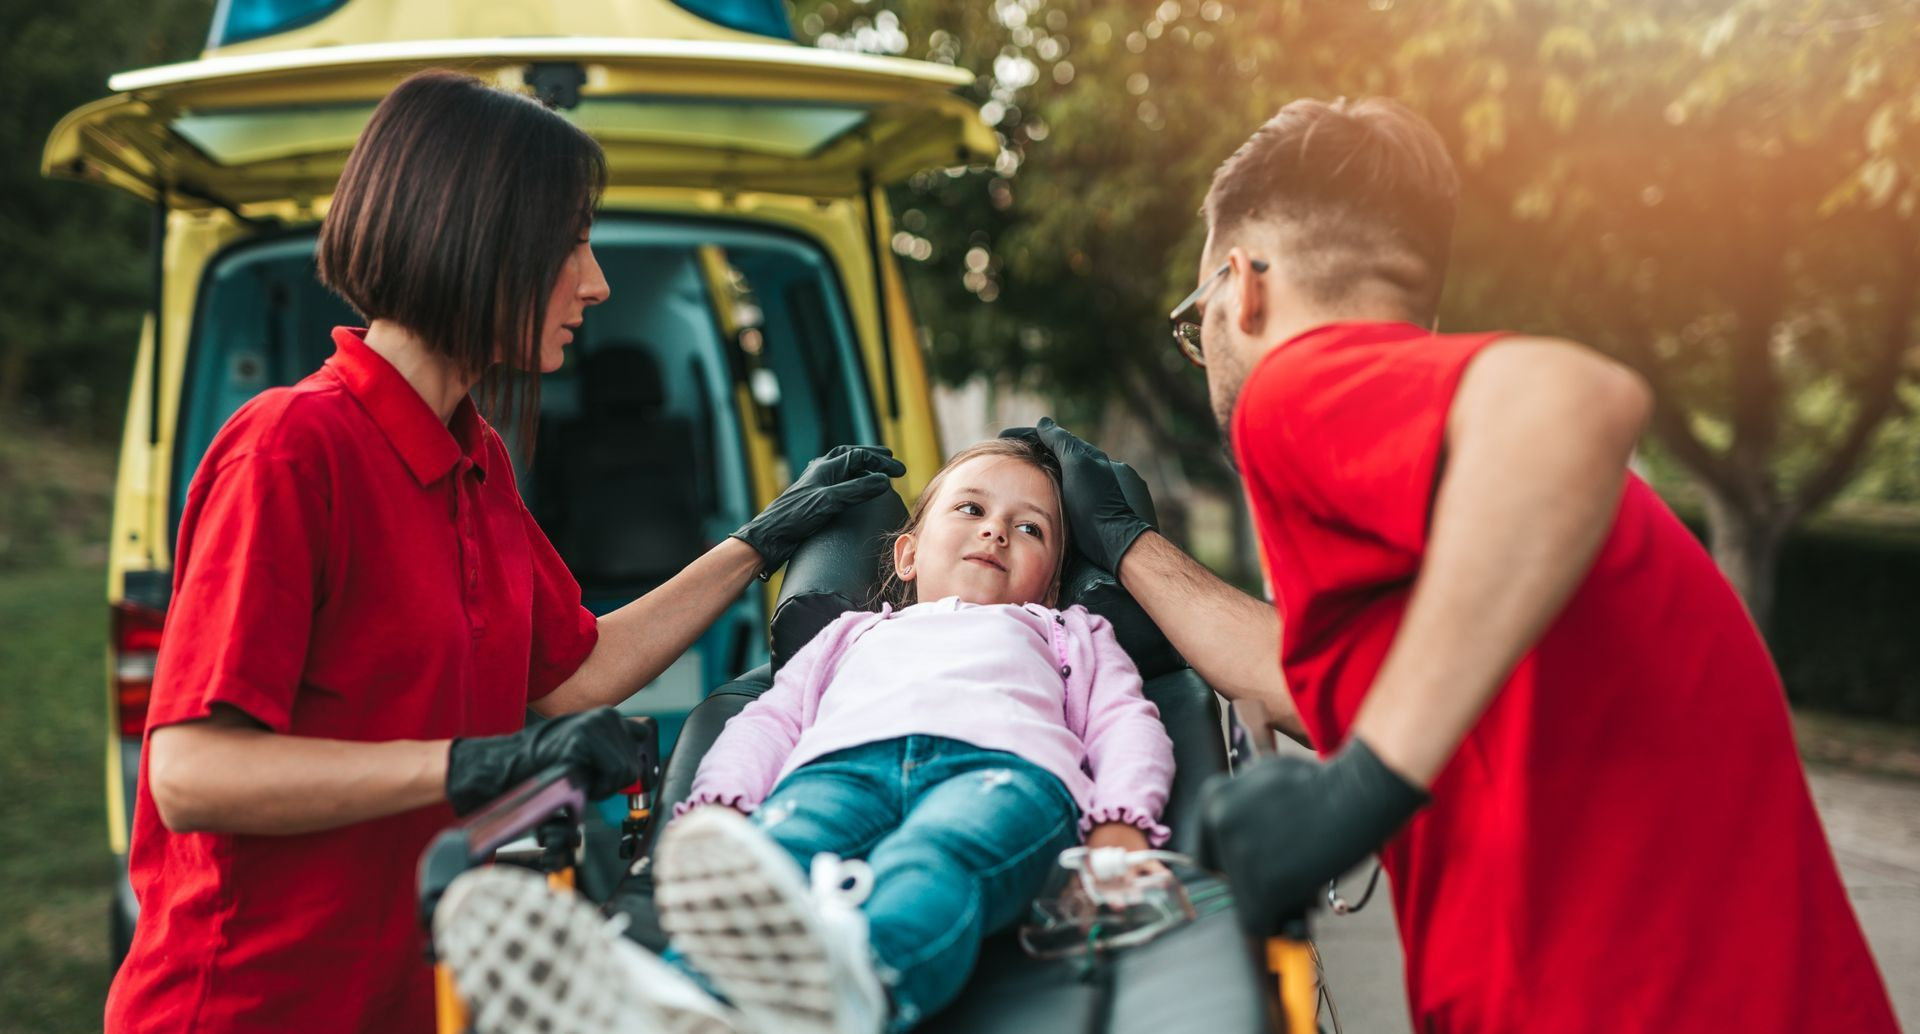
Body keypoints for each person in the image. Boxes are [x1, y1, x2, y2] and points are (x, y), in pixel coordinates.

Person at [1014, 98, 1899, 1032]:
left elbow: (1576, 400)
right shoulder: (1460, 536)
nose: (1206, 357)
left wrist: (1361, 790)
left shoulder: (1297, 384)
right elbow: (1307, 679)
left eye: (1197, 324)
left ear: (1243, 286)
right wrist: (1127, 546)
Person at [104, 70, 904, 1034]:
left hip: (412, 997)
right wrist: (474, 766)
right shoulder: (291, 449)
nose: (597, 281)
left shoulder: (472, 455)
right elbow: (194, 774)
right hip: (249, 1005)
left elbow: (573, 675)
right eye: (571, 242)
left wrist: (759, 540)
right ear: (474, 238)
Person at [432, 436, 1177, 1034]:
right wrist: (720, 804)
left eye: (1029, 528)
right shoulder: (850, 635)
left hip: (1004, 773)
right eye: (972, 508)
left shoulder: (1068, 631)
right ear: (907, 555)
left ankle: (856, 986)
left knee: (934, 857)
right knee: (769, 866)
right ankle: (662, 1001)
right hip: (838, 772)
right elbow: (770, 721)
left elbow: (1124, 723)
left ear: (1050, 581)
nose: (995, 530)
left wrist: (1121, 826)